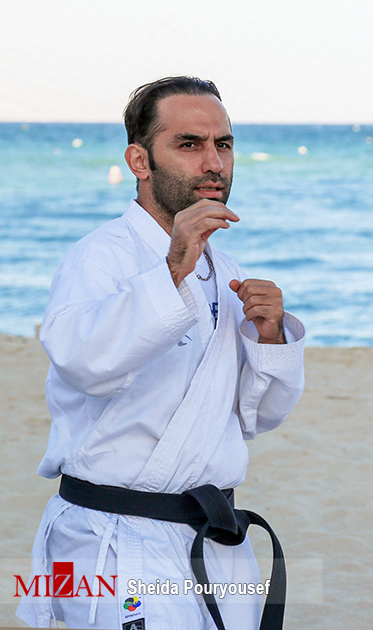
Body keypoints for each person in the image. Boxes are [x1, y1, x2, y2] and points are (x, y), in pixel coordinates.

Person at [17, 76, 306, 630]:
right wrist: (171, 272)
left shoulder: (227, 272)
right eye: (189, 144)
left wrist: (270, 339)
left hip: (214, 538)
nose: (214, 163)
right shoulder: (99, 257)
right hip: (113, 538)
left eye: (223, 144)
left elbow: (257, 417)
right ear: (139, 161)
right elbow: (82, 362)